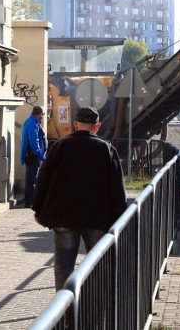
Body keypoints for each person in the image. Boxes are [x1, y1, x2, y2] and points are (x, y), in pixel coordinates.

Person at [32, 106, 127, 290]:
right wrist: (119, 217)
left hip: (64, 217)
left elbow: (43, 178)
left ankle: (65, 310)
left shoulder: (60, 146)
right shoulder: (107, 149)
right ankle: (96, 309)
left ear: (75, 124)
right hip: (98, 218)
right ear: (97, 126)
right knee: (98, 264)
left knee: (63, 267)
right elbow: (117, 189)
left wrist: (38, 208)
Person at [20, 105, 47, 208]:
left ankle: (31, 200)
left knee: (32, 178)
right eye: (43, 114)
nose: (43, 116)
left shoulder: (33, 122)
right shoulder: (32, 124)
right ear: (38, 113)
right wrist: (41, 156)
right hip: (33, 155)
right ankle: (30, 201)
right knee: (32, 179)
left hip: (33, 155)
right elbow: (34, 142)